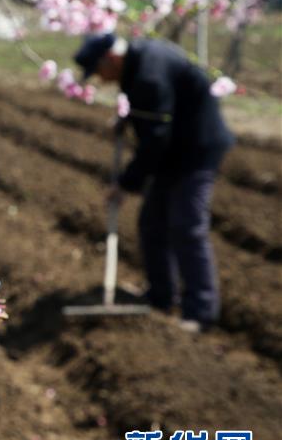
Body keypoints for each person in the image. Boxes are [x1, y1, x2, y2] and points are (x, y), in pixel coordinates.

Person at [73, 33, 235, 332]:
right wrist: (130, 119)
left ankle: (200, 311)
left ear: (111, 58)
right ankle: (160, 296)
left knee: (187, 226)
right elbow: (157, 115)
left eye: (98, 70)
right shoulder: (141, 58)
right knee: (152, 223)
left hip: (195, 149)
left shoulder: (148, 74)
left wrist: (125, 183)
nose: (99, 78)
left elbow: (155, 141)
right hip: (174, 149)